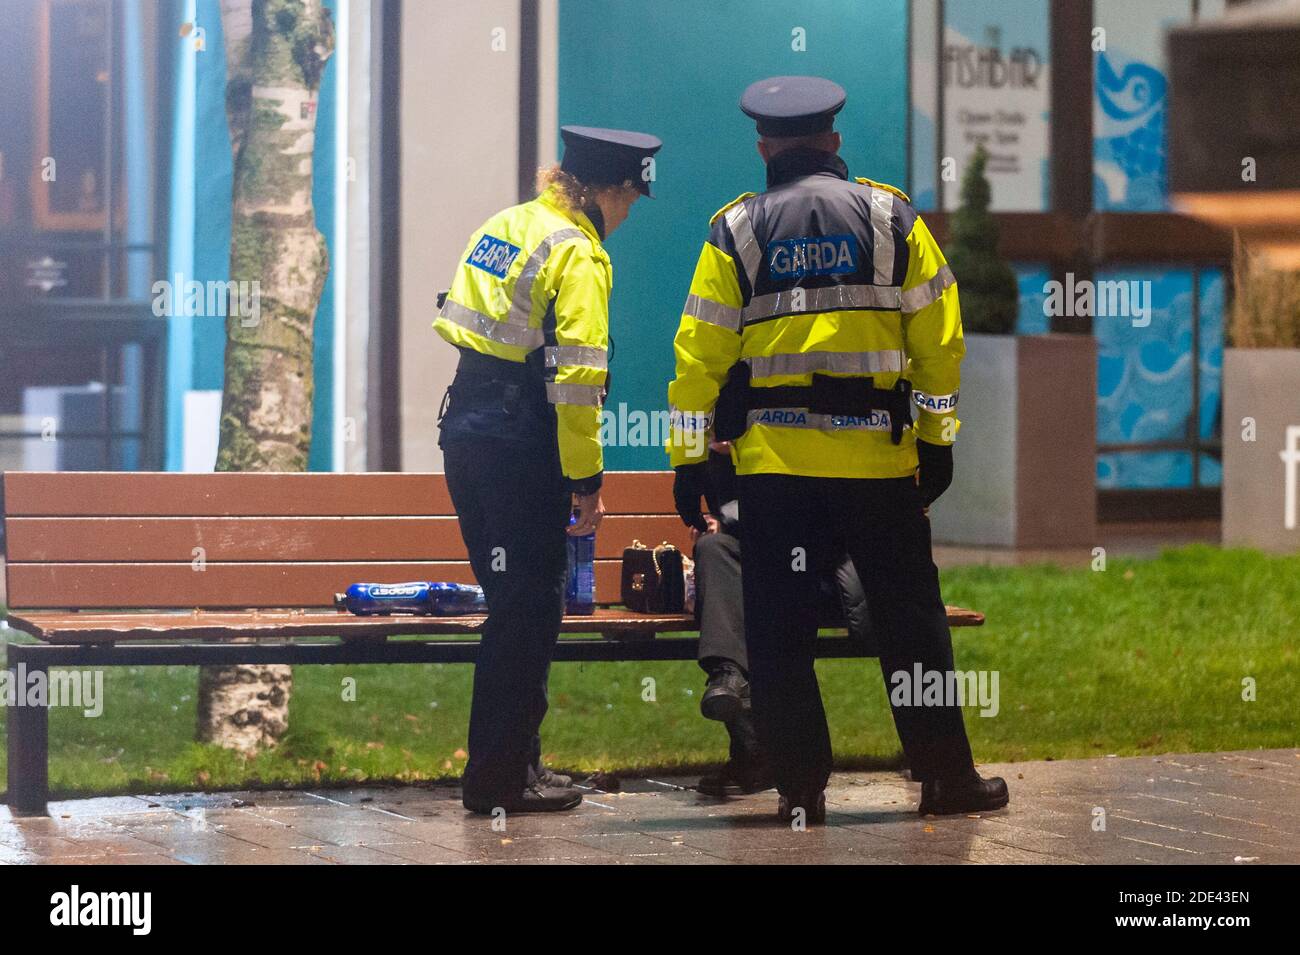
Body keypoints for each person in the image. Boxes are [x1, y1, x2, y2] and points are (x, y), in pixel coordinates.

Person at [667, 76, 1007, 822]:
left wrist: (689, 457)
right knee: (912, 622)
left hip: (777, 473)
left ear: (764, 147)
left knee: (780, 632)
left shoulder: (736, 230)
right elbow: (939, 343)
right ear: (835, 141)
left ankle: (799, 788)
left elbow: (698, 355)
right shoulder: (892, 217)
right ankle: (946, 777)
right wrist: (937, 439)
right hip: (878, 468)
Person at [436, 125, 662, 815]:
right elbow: (577, 385)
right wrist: (586, 482)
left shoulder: (507, 225)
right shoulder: (580, 255)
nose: (626, 218)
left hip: (466, 428)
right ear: (607, 191)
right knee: (528, 611)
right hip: (519, 440)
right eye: (629, 201)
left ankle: (509, 765)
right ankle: (502, 779)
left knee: (513, 607)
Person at [687, 443, 872, 798]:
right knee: (715, 553)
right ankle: (727, 677)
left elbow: (821, 526)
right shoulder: (719, 465)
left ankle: (757, 752)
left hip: (818, 570)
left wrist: (735, 523)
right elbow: (736, 521)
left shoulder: (786, 442)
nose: (717, 436)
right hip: (760, 570)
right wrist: (717, 526)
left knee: (755, 602)